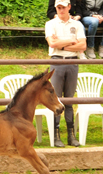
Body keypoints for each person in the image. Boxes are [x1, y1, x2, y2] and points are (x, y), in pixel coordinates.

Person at [45, 0, 86, 147]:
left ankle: (71, 134)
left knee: (69, 99)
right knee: (56, 99)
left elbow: (83, 45)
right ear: (56, 8)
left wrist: (61, 44)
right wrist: (71, 42)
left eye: (63, 7)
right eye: (58, 7)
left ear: (69, 7)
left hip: (72, 62)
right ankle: (56, 135)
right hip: (57, 61)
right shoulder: (50, 24)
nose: (61, 10)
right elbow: (52, 44)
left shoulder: (77, 24)